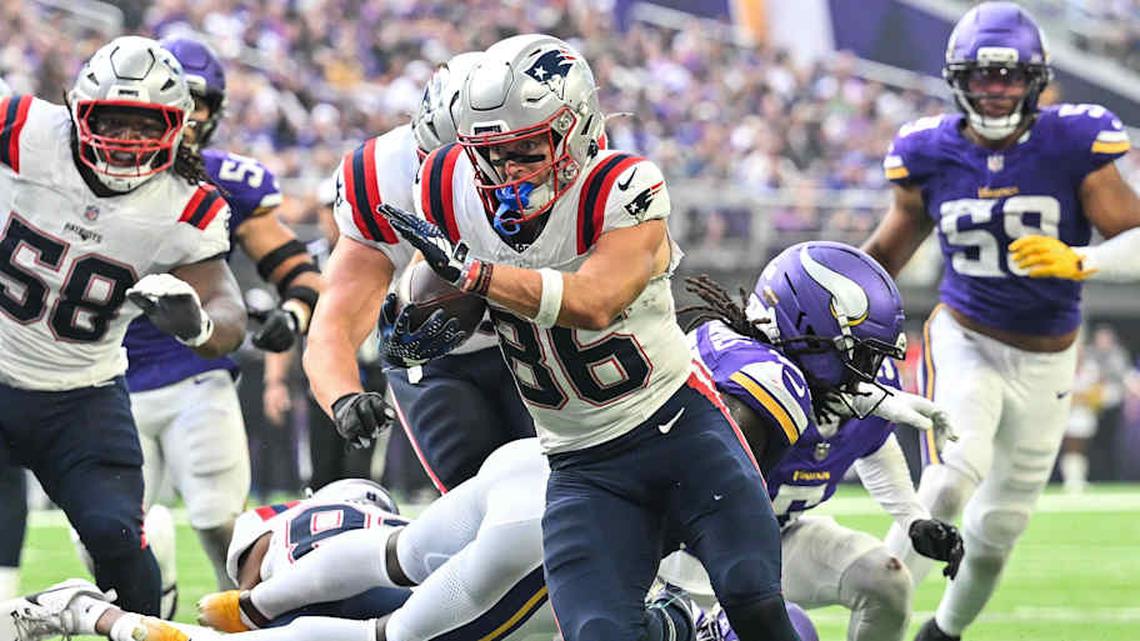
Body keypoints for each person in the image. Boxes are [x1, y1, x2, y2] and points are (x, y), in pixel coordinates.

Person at [378, 33, 797, 641]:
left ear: (573, 130)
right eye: (490, 155)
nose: (506, 172)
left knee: (752, 597)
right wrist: (415, 320)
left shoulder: (622, 184)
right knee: (599, 631)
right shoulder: (448, 187)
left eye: (525, 150)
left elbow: (596, 303)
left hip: (680, 432)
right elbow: (440, 301)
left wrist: (475, 273)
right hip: (581, 464)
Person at [861, 3, 1140, 639]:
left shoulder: (1075, 141)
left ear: (1036, 79)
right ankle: (874, 616)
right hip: (967, 334)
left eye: (1008, 76)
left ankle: (944, 631)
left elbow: (1138, 233)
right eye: (982, 77)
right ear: (958, 79)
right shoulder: (929, 151)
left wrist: (1079, 258)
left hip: (1049, 359)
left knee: (999, 530)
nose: (994, 92)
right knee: (952, 482)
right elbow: (884, 256)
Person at [0, 36, 247, 616]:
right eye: (113, 121)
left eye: (145, 125)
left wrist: (197, 325)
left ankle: (148, 616)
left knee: (113, 537)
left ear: (178, 127)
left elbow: (228, 315)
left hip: (79, 396)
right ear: (76, 111)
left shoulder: (188, 206)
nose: (125, 141)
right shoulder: (24, 132)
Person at [657, 241, 964, 641]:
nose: (869, 374)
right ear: (805, 331)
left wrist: (913, 518)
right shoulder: (740, 379)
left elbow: (871, 444)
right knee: (788, 630)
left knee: (886, 581)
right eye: (856, 354)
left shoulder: (845, 388)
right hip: (676, 558)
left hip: (772, 539)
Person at [110, 35, 321, 598]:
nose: (184, 112)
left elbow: (300, 273)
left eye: (196, 99)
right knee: (105, 533)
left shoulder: (226, 180)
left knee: (219, 520)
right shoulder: (90, 171)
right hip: (103, 377)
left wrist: (294, 315)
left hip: (194, 372)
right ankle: (160, 600)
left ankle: (256, 621)